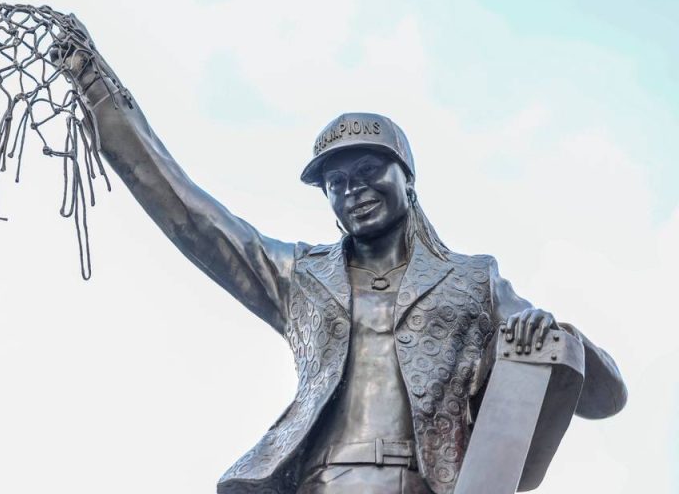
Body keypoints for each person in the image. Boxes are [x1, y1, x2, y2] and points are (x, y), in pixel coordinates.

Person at [62, 47, 627, 494]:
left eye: (366, 171)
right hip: (321, 481)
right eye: (336, 183)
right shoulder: (300, 275)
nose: (352, 191)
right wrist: (96, 89)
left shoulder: (474, 280)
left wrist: (556, 334)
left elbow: (604, 396)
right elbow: (191, 215)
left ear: (407, 176)